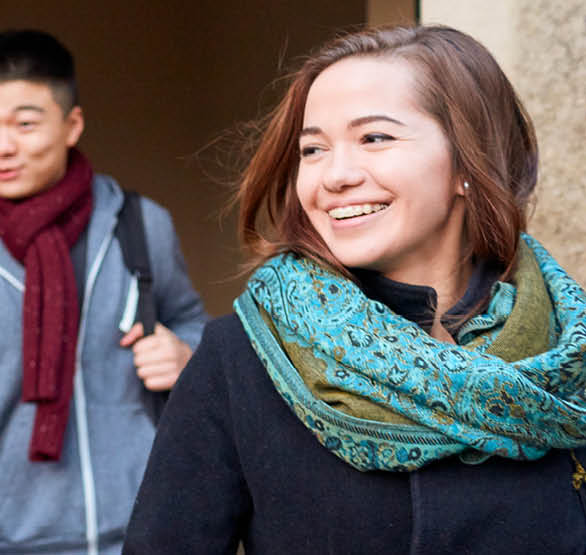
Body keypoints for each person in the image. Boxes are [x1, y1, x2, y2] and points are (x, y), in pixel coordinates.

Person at [126, 25, 586, 553]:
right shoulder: (241, 359)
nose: (334, 176)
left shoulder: (568, 357)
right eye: (313, 149)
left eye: (375, 138)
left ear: (468, 161)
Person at [0, 30, 208, 555]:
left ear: (72, 125)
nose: (1, 146)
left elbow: (190, 319)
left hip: (148, 537)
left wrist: (187, 353)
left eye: (25, 124)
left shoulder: (141, 228)